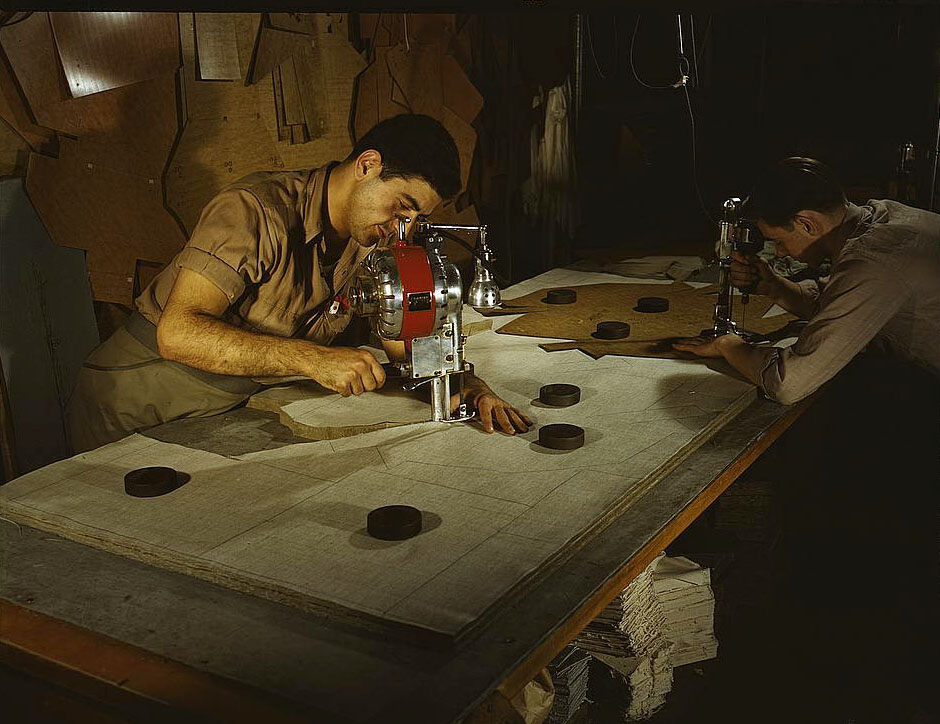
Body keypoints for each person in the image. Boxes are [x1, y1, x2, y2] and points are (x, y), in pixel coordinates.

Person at [66, 114, 530, 453]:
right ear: (367, 165)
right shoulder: (254, 211)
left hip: (231, 405)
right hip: (139, 401)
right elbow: (179, 332)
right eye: (401, 205)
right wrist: (315, 360)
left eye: (416, 217)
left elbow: (397, 341)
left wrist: (464, 386)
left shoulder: (370, 236)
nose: (402, 226)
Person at [673, 156, 940, 404]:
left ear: (807, 224)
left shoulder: (874, 259)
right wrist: (774, 286)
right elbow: (841, 307)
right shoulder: (884, 218)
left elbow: (790, 384)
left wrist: (730, 345)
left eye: (778, 241)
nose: (779, 252)